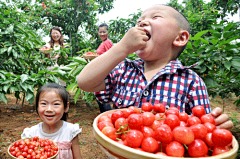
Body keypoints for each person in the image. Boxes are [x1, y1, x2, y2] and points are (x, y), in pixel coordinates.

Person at [77, 5, 233, 130]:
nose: (141, 23)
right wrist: (122, 48)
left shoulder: (191, 82)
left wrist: (214, 127)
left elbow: (201, 130)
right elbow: (84, 82)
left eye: (155, 17)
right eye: (139, 21)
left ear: (180, 38)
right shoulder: (124, 70)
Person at [21, 83, 82, 159]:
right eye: (44, 104)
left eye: (56, 104)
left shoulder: (70, 131)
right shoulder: (31, 134)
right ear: (37, 106)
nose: (49, 109)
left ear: (66, 107)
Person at [95, 23, 113, 112]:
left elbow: (112, 57)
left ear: (107, 32)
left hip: (105, 72)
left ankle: (107, 116)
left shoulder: (107, 42)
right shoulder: (103, 43)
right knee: (100, 97)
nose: (102, 34)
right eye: (100, 32)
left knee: (104, 97)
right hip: (101, 71)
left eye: (104, 32)